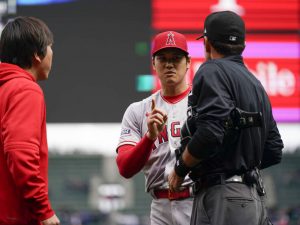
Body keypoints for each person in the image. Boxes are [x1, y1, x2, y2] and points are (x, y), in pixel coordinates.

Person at [168, 11, 284, 225]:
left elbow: (210, 133)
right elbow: (274, 149)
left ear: (208, 44)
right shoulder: (256, 84)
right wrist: (240, 165)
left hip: (224, 197)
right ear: (243, 46)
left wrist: (180, 168)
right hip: (252, 199)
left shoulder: (211, 70)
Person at [116, 31, 194, 225]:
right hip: (160, 206)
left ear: (188, 62)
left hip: (198, 200)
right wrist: (149, 137)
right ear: (153, 63)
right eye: (162, 58)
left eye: (176, 58)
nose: (169, 64)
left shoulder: (203, 103)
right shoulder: (138, 110)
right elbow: (125, 168)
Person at [0, 17, 60, 225]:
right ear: (37, 54)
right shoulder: (25, 90)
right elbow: (20, 153)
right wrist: (43, 211)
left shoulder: (4, 88)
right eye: (51, 47)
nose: (52, 54)